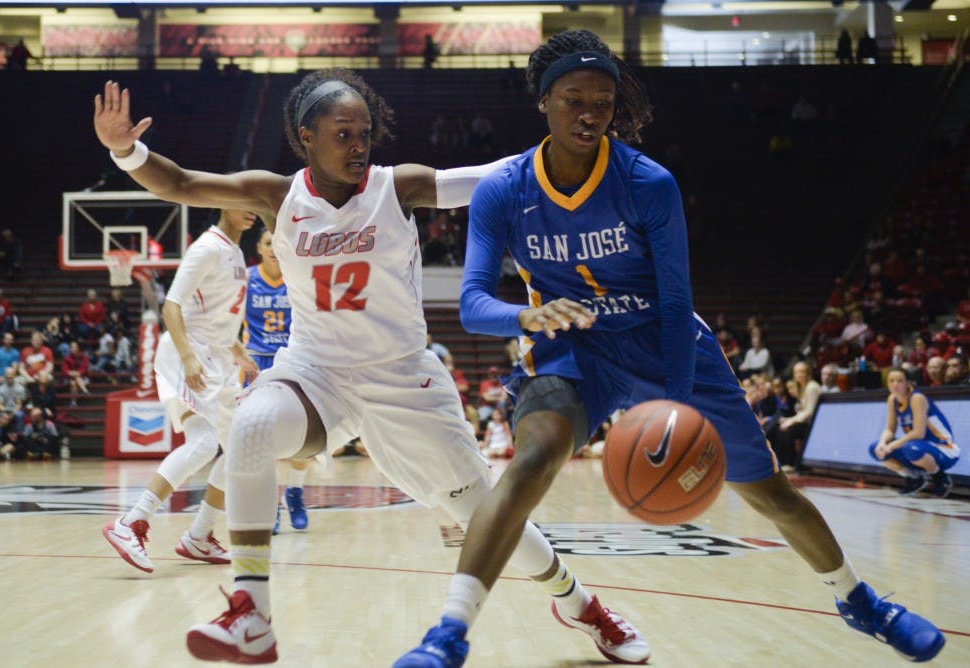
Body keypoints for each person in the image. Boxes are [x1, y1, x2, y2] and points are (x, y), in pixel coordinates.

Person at [93, 70, 643, 666]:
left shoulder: (395, 187)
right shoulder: (277, 195)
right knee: (249, 427)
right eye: (343, 134)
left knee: (483, 511)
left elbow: (489, 177)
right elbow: (179, 183)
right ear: (307, 138)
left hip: (402, 376)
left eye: (365, 133)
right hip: (316, 371)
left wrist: (566, 146)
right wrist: (125, 149)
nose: (359, 146)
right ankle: (251, 613)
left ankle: (579, 603)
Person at [444, 28, 944, 666]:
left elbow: (677, 304)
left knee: (770, 493)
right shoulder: (503, 189)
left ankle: (859, 602)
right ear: (543, 101)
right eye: (574, 98)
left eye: (603, 99)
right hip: (575, 351)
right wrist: (529, 317)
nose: (591, 112)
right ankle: (450, 632)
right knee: (531, 461)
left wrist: (676, 410)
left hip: (667, 343)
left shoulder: (648, 182)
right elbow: (473, 307)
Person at [101, 207, 259, 574]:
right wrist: (188, 358)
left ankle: (199, 535)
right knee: (205, 444)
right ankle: (131, 523)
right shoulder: (207, 247)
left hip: (215, 356)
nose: (250, 208)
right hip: (187, 354)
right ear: (223, 205)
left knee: (238, 449)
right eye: (242, 201)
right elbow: (172, 306)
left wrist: (236, 350)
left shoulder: (235, 252)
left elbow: (217, 315)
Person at [243, 228, 308, 533]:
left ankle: (295, 493)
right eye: (268, 243)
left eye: (277, 244)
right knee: (262, 440)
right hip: (255, 363)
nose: (273, 249)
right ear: (258, 247)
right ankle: (271, 506)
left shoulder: (299, 277)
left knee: (302, 439)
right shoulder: (244, 279)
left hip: (292, 360)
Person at [869, 368, 960, 498]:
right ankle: (914, 479)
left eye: (899, 381)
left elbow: (919, 433)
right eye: (891, 381)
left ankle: (940, 478)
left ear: (908, 383)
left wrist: (891, 446)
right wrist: (883, 443)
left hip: (943, 447)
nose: (895, 384)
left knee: (911, 447)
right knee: (875, 449)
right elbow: (889, 429)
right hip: (918, 446)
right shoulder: (892, 399)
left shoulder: (917, 398)